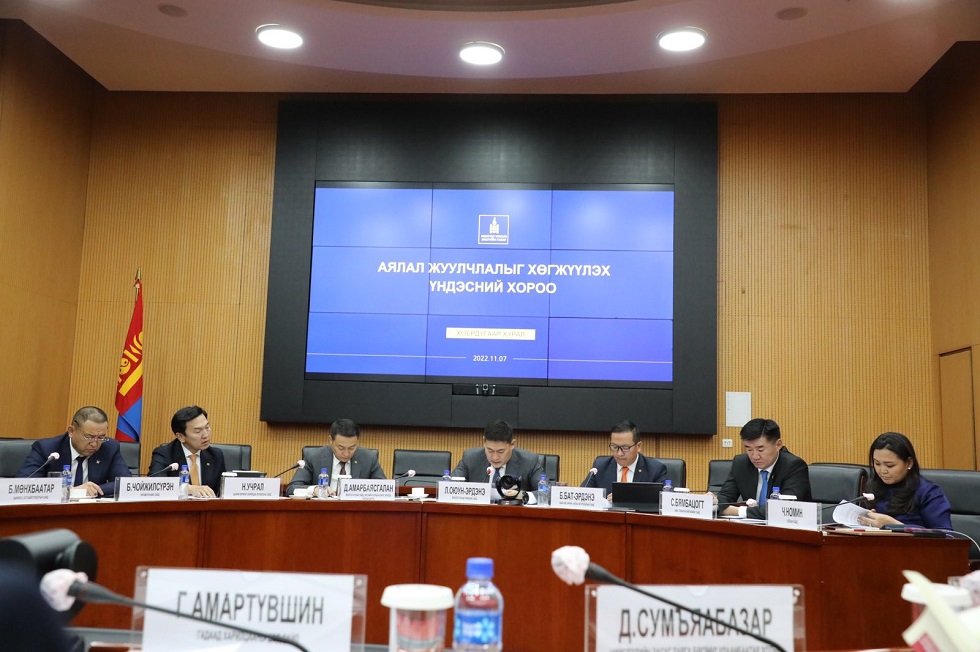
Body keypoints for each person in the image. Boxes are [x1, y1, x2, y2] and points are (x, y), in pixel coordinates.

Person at [17, 406, 131, 497]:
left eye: (101, 437)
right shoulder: (47, 449)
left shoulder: (110, 448)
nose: (95, 444)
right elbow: (23, 485)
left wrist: (93, 490)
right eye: (89, 437)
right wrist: (73, 492)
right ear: (71, 431)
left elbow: (126, 484)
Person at [715, 418, 811, 519]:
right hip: (750, 526)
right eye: (749, 449)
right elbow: (726, 496)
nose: (755, 456)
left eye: (760, 450)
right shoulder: (741, 463)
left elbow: (785, 509)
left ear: (778, 445)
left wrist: (738, 511)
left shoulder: (794, 466)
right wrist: (713, 501)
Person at [857, 432, 952, 530]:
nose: (882, 471)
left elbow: (947, 535)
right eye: (877, 464)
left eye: (890, 465)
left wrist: (895, 525)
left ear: (909, 463)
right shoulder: (873, 486)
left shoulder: (928, 492)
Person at [286, 418, 386, 496]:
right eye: (341, 448)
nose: (346, 453)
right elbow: (292, 488)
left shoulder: (368, 458)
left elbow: (385, 489)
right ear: (331, 440)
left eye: (352, 448)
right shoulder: (314, 457)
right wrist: (314, 490)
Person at [452, 419, 544, 499]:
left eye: (500, 451)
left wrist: (523, 496)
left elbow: (546, 491)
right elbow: (450, 487)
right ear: (484, 442)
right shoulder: (470, 458)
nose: (495, 457)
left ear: (512, 444)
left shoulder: (529, 461)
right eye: (490, 450)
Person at [149, 406, 226, 498]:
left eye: (207, 427)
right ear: (181, 436)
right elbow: (155, 483)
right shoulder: (164, 454)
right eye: (197, 431)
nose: (206, 435)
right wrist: (187, 489)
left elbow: (223, 491)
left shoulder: (215, 455)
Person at [580, 420, 667, 498]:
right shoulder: (600, 467)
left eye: (625, 448)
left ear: (638, 446)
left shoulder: (655, 470)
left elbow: (662, 501)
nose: (619, 453)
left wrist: (626, 499)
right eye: (614, 447)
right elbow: (583, 497)